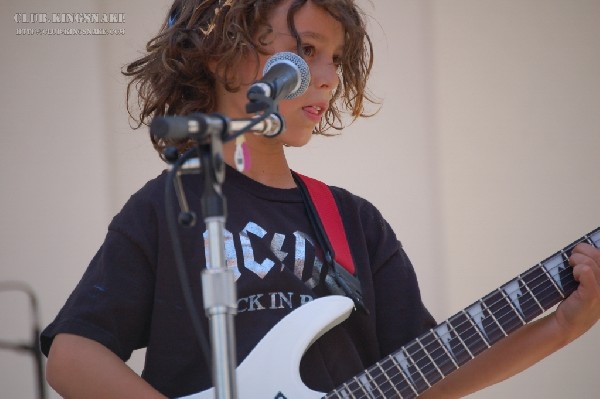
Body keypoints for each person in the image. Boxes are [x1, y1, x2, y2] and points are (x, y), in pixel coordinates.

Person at [41, 0, 600, 398]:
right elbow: (72, 357)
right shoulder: (170, 206)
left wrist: (563, 327)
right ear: (219, 53)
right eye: (307, 50)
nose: (329, 76)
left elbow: (429, 375)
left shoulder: (354, 222)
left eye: (336, 57)